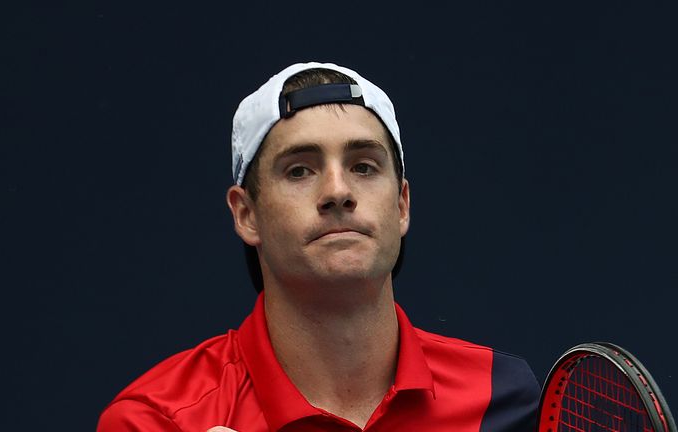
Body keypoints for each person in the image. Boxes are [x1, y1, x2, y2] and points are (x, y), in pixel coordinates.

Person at [97, 62, 540, 432]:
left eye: (364, 166)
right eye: (299, 171)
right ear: (246, 214)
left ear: (402, 205)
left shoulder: (500, 395)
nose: (338, 191)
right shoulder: (156, 419)